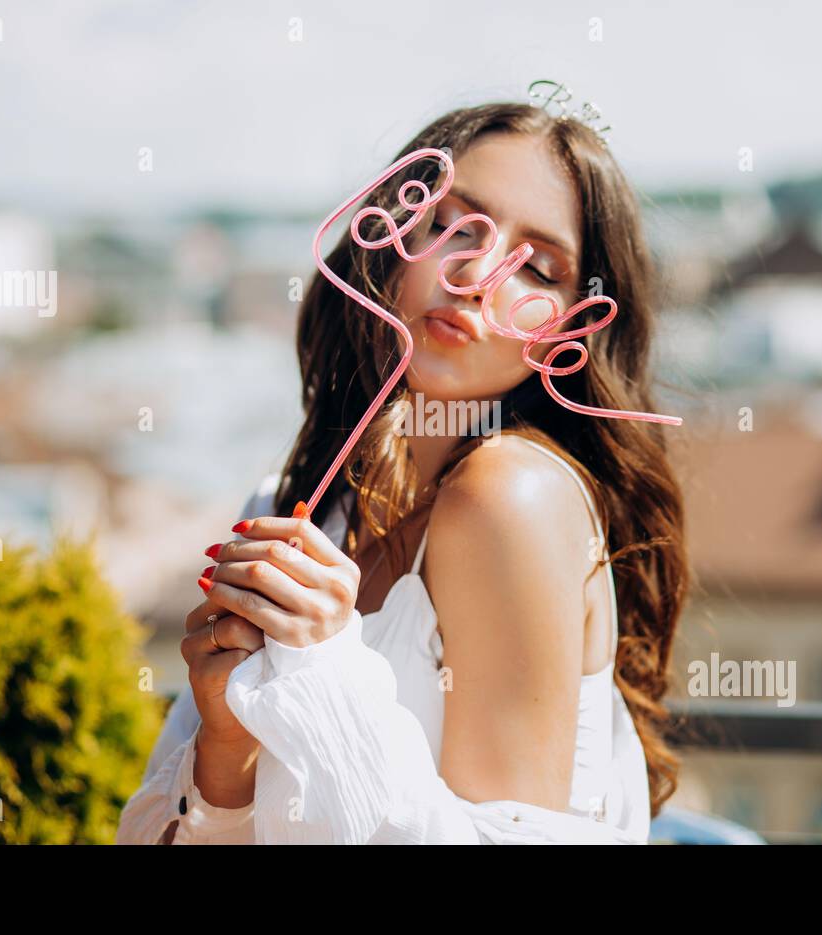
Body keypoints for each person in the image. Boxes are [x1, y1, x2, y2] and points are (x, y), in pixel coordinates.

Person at [116, 98, 689, 844]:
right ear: (395, 234)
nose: (479, 274)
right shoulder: (303, 503)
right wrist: (226, 746)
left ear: (574, 330)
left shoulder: (510, 498)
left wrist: (323, 676)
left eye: (539, 268)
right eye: (454, 224)